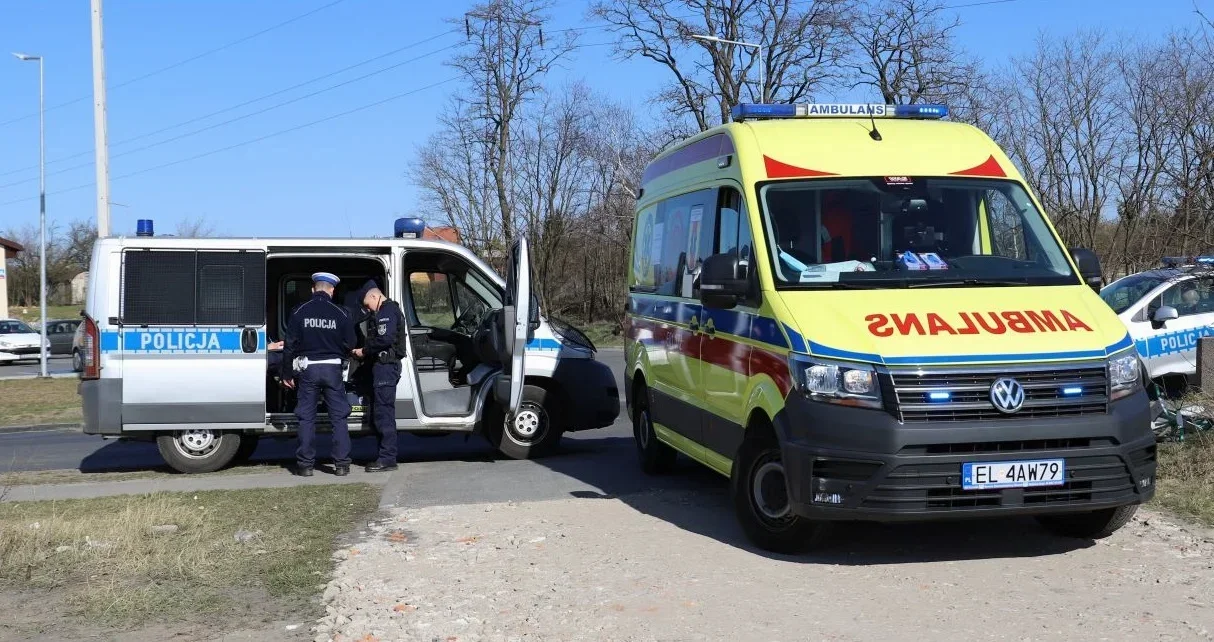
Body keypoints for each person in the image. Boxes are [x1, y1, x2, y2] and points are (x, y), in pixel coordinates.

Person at [282, 272, 356, 477]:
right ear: (332, 290)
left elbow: (289, 345)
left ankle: (305, 465)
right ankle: (342, 465)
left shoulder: (299, 311)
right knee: (339, 417)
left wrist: (286, 373)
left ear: (313, 289)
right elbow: (350, 343)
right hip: (333, 370)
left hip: (308, 370)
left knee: (306, 418)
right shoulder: (341, 313)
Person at [353, 283, 406, 473]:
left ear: (375, 297)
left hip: (386, 367)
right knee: (379, 412)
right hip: (382, 367)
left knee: (384, 413)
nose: (368, 309)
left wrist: (364, 350)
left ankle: (388, 458)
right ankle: (384, 455)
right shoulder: (384, 311)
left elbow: (385, 339)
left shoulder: (387, 311)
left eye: (368, 305)